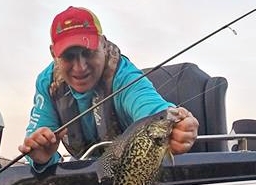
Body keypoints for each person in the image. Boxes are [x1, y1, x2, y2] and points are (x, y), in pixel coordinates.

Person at [19, 6, 199, 171]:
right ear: (53, 54)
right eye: (68, 56)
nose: (80, 67)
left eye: (88, 52)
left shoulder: (124, 75)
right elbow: (37, 143)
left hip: (132, 173)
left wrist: (177, 127)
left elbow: (151, 107)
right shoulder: (47, 83)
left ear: (103, 44)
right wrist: (41, 158)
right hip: (87, 180)